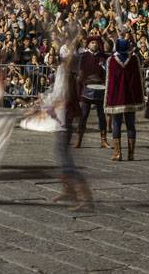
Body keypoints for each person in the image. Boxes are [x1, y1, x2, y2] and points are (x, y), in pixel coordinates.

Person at [49, 39, 93, 210]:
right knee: (60, 153)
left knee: (66, 158)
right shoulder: (63, 72)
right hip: (60, 118)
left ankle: (85, 197)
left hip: (64, 118)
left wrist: (47, 104)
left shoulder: (67, 75)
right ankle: (69, 190)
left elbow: (62, 97)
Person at [104, 38, 145, 161]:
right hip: (130, 97)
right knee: (130, 124)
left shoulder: (111, 60)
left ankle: (118, 153)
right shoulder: (134, 59)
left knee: (116, 124)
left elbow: (109, 80)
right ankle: (131, 154)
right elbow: (137, 79)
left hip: (117, 97)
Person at [75, 37, 109, 149]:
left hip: (101, 89)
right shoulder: (83, 57)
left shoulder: (104, 57)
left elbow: (107, 73)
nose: (94, 44)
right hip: (87, 89)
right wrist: (84, 81)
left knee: (101, 116)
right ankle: (79, 139)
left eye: (96, 43)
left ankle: (103, 140)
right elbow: (80, 73)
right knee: (84, 115)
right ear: (88, 45)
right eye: (92, 43)